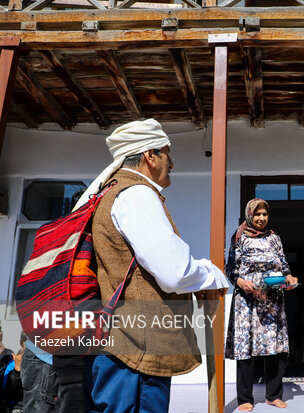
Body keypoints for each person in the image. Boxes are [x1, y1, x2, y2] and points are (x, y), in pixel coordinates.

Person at [73, 118, 229, 412]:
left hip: (117, 346)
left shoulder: (111, 192)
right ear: (150, 155)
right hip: (136, 352)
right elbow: (174, 272)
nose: (172, 162)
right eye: (167, 153)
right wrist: (211, 275)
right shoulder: (136, 195)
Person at [224, 198, 298, 412]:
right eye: (257, 214)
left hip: (272, 300)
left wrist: (289, 278)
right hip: (246, 301)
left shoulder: (274, 238)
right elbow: (231, 269)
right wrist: (240, 282)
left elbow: (284, 266)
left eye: (265, 214)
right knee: (246, 348)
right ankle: (245, 398)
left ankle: (273, 395)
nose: (261, 218)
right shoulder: (239, 238)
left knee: (273, 347)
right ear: (249, 215)